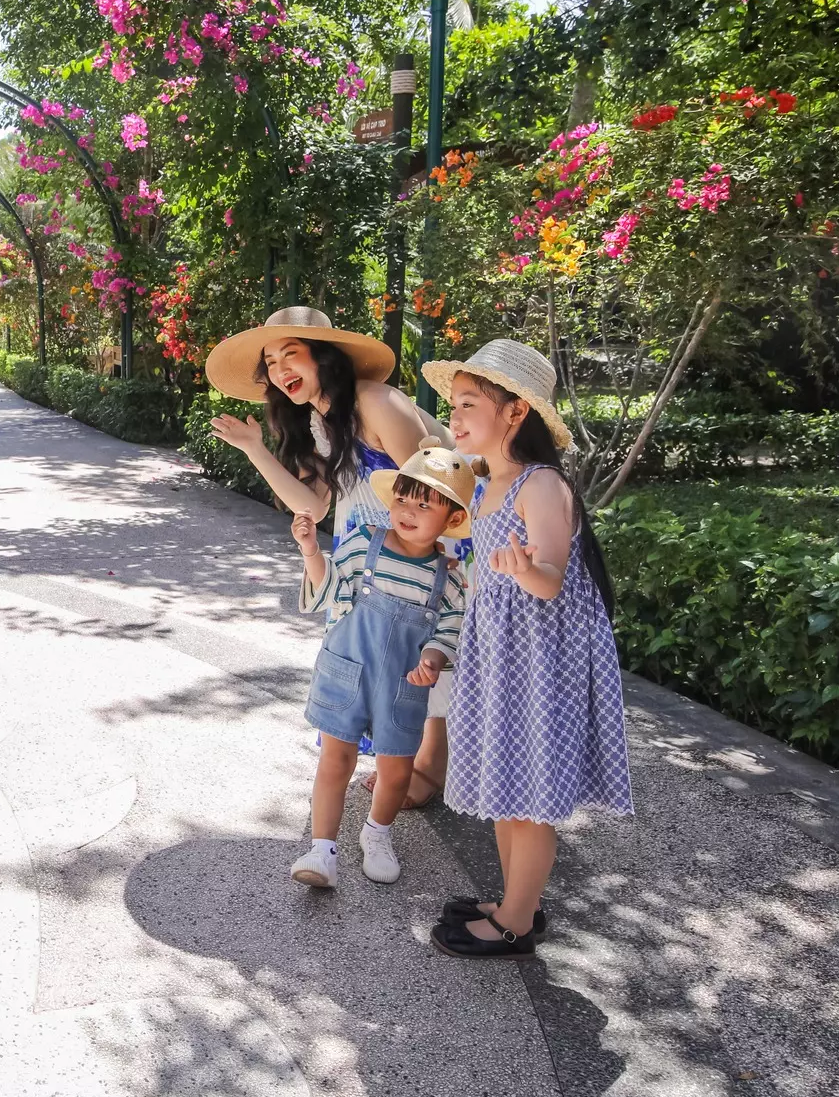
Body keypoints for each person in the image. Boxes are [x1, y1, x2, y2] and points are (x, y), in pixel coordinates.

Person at [421, 339, 633, 960]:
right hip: (502, 656)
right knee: (507, 785)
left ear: (516, 412)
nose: (455, 416)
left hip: (541, 662)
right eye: (454, 404)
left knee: (529, 799)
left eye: (469, 404)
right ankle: (515, 900)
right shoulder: (490, 484)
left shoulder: (541, 485)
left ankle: (516, 922)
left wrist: (523, 570)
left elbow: (551, 579)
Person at [205, 308, 451, 788]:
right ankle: (399, 763)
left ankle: (426, 770)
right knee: (375, 656)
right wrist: (254, 448)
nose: (280, 370)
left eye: (291, 354)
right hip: (364, 556)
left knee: (417, 651)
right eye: (271, 363)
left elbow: (433, 488)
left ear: (324, 357)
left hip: (418, 545)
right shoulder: (316, 423)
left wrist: (427, 557)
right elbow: (313, 507)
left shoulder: (376, 400)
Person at [287, 439, 472, 888]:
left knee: (396, 770)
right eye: (402, 498)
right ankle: (322, 849)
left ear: (452, 520)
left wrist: (432, 659)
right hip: (348, 671)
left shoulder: (449, 577)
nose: (407, 510)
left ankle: (377, 832)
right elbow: (329, 591)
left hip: (402, 684)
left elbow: (450, 630)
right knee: (336, 759)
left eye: (424, 505)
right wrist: (311, 550)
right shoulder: (364, 543)